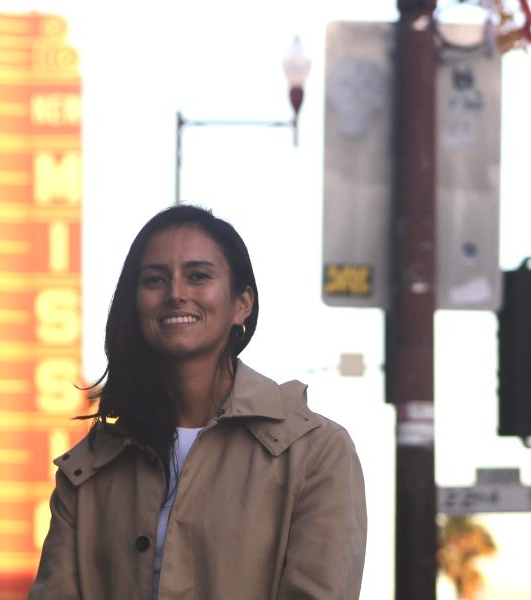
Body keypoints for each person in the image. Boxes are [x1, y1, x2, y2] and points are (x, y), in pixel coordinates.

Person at [28, 205, 367, 600]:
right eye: (155, 279)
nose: (176, 293)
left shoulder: (315, 454)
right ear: (134, 304)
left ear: (242, 304)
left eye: (198, 276)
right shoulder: (88, 471)